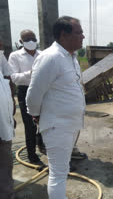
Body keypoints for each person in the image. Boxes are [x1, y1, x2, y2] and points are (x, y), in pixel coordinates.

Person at [26, 16, 86, 199]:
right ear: (63, 34)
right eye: (78, 33)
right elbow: (33, 94)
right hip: (56, 126)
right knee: (58, 174)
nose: (83, 36)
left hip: (70, 125)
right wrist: (36, 115)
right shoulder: (50, 58)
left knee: (62, 169)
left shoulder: (71, 57)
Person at [8, 30, 45, 164]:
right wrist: (32, 73)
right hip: (25, 91)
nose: (31, 41)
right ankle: (32, 154)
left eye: (33, 38)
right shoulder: (15, 56)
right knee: (30, 125)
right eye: (27, 39)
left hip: (43, 91)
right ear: (21, 42)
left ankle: (44, 146)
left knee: (46, 122)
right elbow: (14, 77)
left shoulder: (42, 54)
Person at [0, 42, 15, 199]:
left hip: (5, 123)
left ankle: (7, 194)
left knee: (5, 164)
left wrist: (11, 116)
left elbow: (8, 79)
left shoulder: (1, 59)